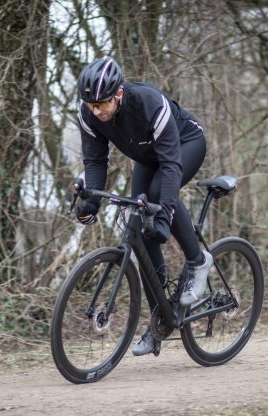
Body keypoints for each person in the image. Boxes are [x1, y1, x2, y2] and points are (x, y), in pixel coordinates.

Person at [75, 56, 213, 356]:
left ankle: (198, 261)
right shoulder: (89, 116)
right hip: (147, 158)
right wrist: (91, 200)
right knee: (140, 225)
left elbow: (171, 166)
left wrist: (163, 213)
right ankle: (160, 318)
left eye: (102, 104)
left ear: (119, 94)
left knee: (156, 197)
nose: (96, 111)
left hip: (185, 145)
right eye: (91, 105)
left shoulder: (149, 102)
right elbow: (95, 161)